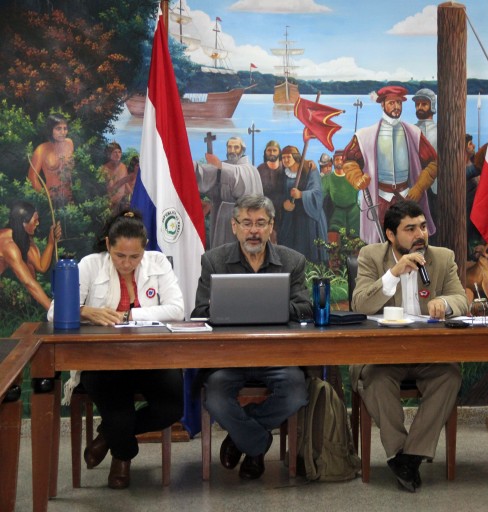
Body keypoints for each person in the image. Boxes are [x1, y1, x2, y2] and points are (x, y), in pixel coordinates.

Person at [48, 210, 184, 489]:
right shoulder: (90, 264)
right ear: (108, 244)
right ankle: (123, 457)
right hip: (101, 359)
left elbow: (177, 310)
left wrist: (127, 316)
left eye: (135, 256)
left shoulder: (158, 262)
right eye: (120, 255)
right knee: (118, 408)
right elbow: (54, 312)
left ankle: (106, 436)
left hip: (151, 358)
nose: (127, 263)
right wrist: (85, 311)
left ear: (145, 248)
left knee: (172, 408)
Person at [350, 200, 468, 492]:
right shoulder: (371, 256)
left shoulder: (442, 257)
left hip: (429, 354)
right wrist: (393, 274)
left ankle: (409, 457)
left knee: (449, 375)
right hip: (384, 354)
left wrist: (445, 303)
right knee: (375, 379)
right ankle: (399, 452)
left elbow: (460, 299)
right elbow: (360, 304)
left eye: (423, 227)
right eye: (410, 229)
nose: (420, 235)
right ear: (391, 235)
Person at [192, 194, 311, 480]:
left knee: (296, 392)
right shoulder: (214, 261)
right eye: (246, 223)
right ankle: (256, 444)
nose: (253, 230)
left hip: (277, 356)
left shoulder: (292, 261)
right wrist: (228, 308)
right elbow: (200, 311)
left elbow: (305, 307)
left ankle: (240, 438)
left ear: (271, 226)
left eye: (260, 223)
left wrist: (272, 306)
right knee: (216, 398)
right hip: (229, 358)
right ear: (234, 226)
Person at [342, 85, 438, 244]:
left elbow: (433, 162)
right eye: (392, 103)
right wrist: (357, 177)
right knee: (381, 245)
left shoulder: (414, 133)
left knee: (409, 242)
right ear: (382, 105)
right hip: (380, 198)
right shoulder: (364, 135)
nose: (396, 107)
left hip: (406, 196)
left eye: (399, 102)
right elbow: (349, 160)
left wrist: (419, 187)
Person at [196, 136, 263, 249]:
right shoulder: (222, 165)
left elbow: (237, 174)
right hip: (222, 214)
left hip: (243, 216)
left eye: (236, 147)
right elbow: (205, 175)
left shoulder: (249, 169)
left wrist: (220, 166)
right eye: (229, 147)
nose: (232, 150)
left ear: (242, 150)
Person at [0, 201, 61, 309]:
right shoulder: (8, 245)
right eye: (35, 220)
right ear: (23, 223)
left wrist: (51, 242)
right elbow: (28, 282)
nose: (37, 223)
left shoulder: (21, 239)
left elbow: (41, 267)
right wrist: (53, 310)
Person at [279, 145, 327, 263]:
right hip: (291, 217)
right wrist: (284, 204)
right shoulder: (283, 173)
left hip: (308, 216)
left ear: (295, 157)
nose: (285, 160)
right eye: (283, 157)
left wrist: (301, 195)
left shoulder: (310, 169)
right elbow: (281, 193)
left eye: (288, 157)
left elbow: (317, 192)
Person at [27, 113, 75, 207]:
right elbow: (32, 177)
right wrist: (46, 198)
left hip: (69, 198)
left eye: (65, 128)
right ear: (50, 130)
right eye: (58, 128)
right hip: (52, 200)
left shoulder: (69, 143)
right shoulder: (41, 149)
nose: (63, 132)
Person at [321, 149, 360, 243]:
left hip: (354, 211)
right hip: (337, 210)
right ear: (333, 161)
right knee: (333, 236)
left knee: (354, 238)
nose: (339, 162)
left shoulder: (353, 176)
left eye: (341, 159)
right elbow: (320, 195)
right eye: (337, 159)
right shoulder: (328, 178)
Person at [256, 140, 286, 243]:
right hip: (265, 209)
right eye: (269, 150)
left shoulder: (285, 168)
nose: (272, 153)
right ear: (265, 152)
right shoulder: (260, 169)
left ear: (279, 152)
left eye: (274, 150)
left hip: (283, 210)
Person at [100, 142, 133, 213]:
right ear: (109, 154)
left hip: (122, 204)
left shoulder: (123, 166)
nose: (118, 155)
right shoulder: (105, 169)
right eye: (115, 152)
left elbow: (126, 184)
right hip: (110, 205)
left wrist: (132, 194)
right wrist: (122, 181)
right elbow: (111, 190)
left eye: (119, 152)